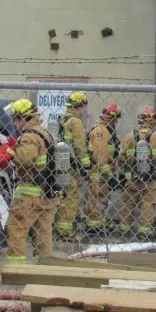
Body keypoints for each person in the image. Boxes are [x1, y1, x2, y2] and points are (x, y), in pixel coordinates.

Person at [4, 99, 58, 264]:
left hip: (30, 194)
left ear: (23, 118)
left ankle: (16, 269)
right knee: (43, 233)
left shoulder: (29, 136)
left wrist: (9, 151)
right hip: (48, 194)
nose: (15, 122)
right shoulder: (46, 133)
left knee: (17, 229)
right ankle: (44, 268)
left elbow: (24, 160)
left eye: (16, 119)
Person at [119, 107, 156, 240]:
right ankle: (145, 231)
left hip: (132, 178)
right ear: (153, 121)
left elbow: (121, 158)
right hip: (152, 179)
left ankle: (124, 229)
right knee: (149, 203)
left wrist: (122, 175)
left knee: (128, 202)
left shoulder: (129, 136)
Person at [56, 92, 92, 241]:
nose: (85, 110)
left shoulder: (63, 119)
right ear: (80, 105)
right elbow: (79, 146)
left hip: (61, 165)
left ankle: (60, 228)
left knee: (63, 196)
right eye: (84, 106)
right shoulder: (76, 122)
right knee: (73, 196)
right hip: (72, 166)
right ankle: (64, 231)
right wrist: (86, 165)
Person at [85, 103, 122, 234]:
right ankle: (94, 225)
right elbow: (99, 154)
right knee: (97, 198)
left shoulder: (106, 130)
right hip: (99, 174)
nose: (116, 122)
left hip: (103, 174)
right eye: (116, 119)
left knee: (102, 199)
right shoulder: (101, 131)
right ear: (110, 118)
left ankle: (99, 222)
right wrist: (108, 173)